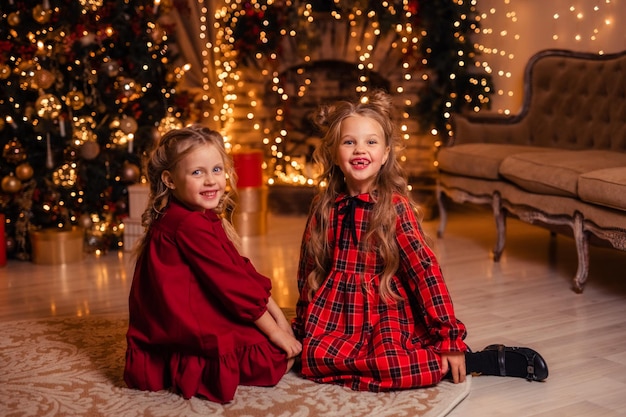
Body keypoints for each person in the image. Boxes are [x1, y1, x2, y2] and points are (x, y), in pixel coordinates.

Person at [292, 90, 548, 391]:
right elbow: (309, 269)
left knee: (395, 366)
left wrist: (449, 336)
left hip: (383, 307)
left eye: (371, 142)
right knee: (310, 357)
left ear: (386, 153)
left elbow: (425, 272)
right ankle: (349, 360)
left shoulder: (394, 207)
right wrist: (303, 324)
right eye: (350, 142)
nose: (360, 150)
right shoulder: (324, 206)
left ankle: (476, 360)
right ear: (335, 152)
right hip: (338, 310)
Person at [124, 124, 302, 403]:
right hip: (182, 320)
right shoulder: (188, 224)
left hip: (184, 308)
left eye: (216, 170)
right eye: (197, 172)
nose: (211, 181)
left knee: (273, 332)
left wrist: (276, 313)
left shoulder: (194, 213)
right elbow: (232, 286)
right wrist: (277, 335)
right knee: (274, 358)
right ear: (170, 180)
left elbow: (237, 266)